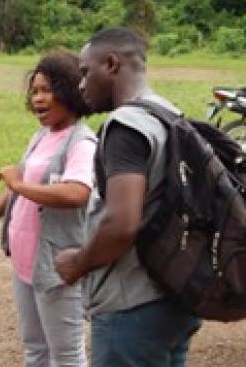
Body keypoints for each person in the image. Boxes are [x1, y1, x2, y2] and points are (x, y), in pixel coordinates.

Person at [54, 27, 202, 366]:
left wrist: (78, 262)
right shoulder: (169, 114)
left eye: (85, 72)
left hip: (132, 306)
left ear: (111, 64)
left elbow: (121, 223)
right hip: (176, 297)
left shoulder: (125, 126)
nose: (80, 85)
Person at [0, 51, 96, 367]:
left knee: (66, 355)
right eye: (34, 91)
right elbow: (19, 179)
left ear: (70, 91)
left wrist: (19, 186)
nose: (38, 98)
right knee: (35, 349)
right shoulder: (43, 135)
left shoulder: (81, 142)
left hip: (57, 266)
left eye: (47, 90)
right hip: (27, 263)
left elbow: (76, 193)